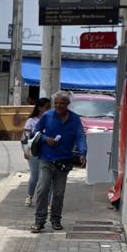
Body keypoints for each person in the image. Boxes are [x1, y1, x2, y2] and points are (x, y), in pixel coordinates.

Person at [31, 92, 87, 233]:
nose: (58, 106)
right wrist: (45, 139)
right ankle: (39, 221)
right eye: (56, 103)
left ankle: (56, 220)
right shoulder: (47, 116)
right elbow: (35, 131)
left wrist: (82, 152)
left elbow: (80, 137)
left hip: (64, 161)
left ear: (67, 104)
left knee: (58, 193)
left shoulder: (75, 119)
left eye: (62, 103)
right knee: (43, 189)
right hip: (46, 159)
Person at [21, 98, 52, 207]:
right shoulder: (31, 121)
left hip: (48, 152)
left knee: (47, 177)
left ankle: (47, 202)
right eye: (46, 107)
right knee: (35, 175)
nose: (49, 110)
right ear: (39, 108)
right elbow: (25, 138)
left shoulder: (52, 120)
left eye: (50, 107)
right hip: (34, 151)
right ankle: (29, 196)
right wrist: (26, 151)